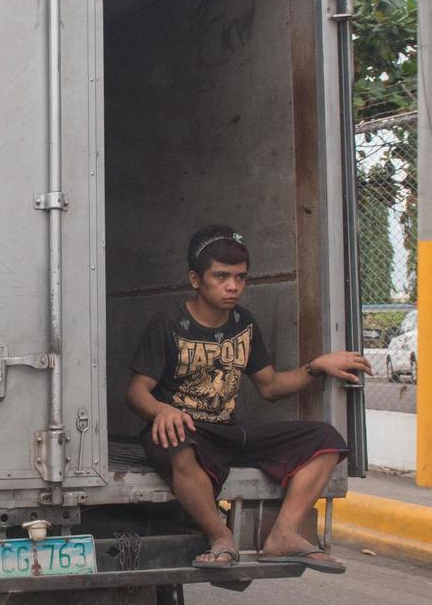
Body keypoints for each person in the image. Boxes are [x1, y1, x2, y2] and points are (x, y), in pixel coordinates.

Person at [125, 224, 372, 574]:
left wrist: (317, 366)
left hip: (228, 432)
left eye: (240, 278)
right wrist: (161, 410)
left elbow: (269, 386)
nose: (232, 286)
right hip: (183, 432)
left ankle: (284, 535)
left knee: (327, 440)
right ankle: (220, 536)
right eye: (221, 276)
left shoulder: (244, 323)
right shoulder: (169, 324)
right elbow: (136, 392)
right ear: (196, 279)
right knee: (178, 442)